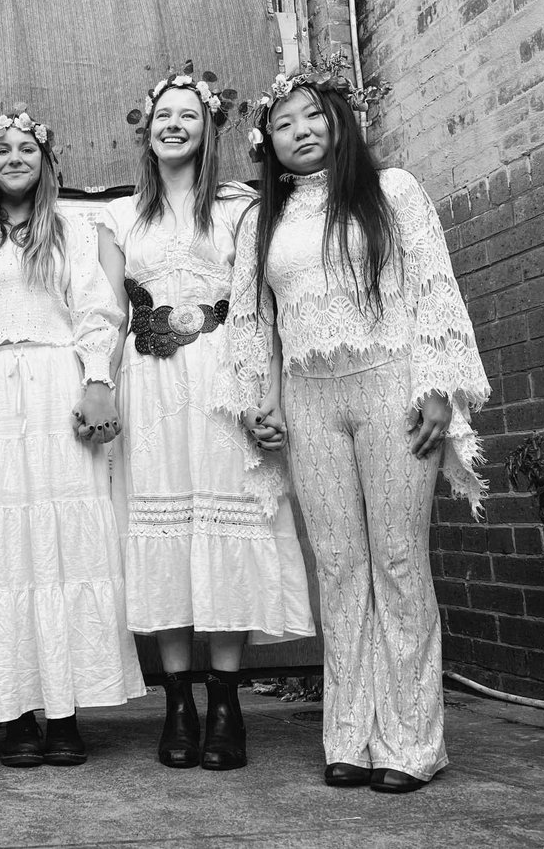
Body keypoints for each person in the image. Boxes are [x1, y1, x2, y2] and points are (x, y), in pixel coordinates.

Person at [222, 58, 488, 793]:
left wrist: (438, 388)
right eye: (284, 123)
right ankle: (348, 736)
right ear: (268, 142)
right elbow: (253, 321)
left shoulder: (392, 190)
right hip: (309, 402)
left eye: (314, 115)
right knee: (339, 568)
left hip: (391, 387)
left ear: (340, 121)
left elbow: (434, 285)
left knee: (398, 562)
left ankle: (411, 743)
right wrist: (263, 401)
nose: (301, 130)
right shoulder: (261, 220)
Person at [97, 68, 315, 772]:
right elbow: (106, 313)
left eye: (189, 114)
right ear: (148, 128)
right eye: (165, 113)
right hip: (151, 383)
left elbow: (262, 310)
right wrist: (98, 384)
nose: (175, 124)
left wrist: (267, 393)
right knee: (163, 528)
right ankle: (178, 702)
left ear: (208, 127)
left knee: (225, 527)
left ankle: (225, 702)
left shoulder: (240, 208)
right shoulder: (119, 217)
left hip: (224, 377)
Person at [0, 108, 145, 768]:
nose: (15, 158)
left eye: (27, 148)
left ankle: (65, 710)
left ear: (45, 162)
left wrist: (98, 382)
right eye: (3, 150)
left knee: (63, 547)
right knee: (2, 551)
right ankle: (16, 713)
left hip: (56, 386)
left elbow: (99, 311)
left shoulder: (73, 231)